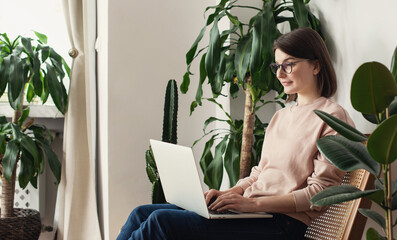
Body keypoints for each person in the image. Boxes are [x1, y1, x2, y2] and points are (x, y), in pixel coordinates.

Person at [117, 27, 354, 240]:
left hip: (282, 223)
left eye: (288, 64)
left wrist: (252, 204)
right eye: (276, 66)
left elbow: (320, 193)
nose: (280, 74)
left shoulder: (333, 117)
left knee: (162, 222)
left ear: (316, 65)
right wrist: (229, 193)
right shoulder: (282, 116)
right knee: (141, 214)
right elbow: (260, 173)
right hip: (253, 212)